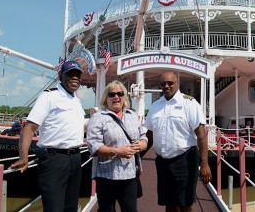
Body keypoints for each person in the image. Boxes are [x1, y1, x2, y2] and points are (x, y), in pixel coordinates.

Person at [9, 60, 86, 212]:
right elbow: (29, 128)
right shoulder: (49, 96)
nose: (75, 77)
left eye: (78, 74)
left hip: (75, 159)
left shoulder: (76, 100)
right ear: (60, 76)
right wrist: (23, 157)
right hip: (54, 160)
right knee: (54, 208)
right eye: (70, 73)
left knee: (70, 207)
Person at [144, 71, 212, 212]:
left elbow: (201, 136)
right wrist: (137, 158)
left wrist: (204, 165)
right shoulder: (156, 106)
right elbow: (149, 135)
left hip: (185, 160)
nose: (166, 86)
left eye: (170, 83)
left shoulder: (190, 103)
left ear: (177, 83)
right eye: (163, 84)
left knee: (185, 204)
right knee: (169, 203)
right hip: (162, 162)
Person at [87, 80, 148, 212]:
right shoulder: (98, 118)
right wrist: (117, 151)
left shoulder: (132, 116)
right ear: (106, 98)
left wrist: (143, 144)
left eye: (120, 93)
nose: (116, 97)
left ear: (124, 97)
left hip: (130, 175)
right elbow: (93, 146)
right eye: (112, 94)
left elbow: (143, 136)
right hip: (107, 176)